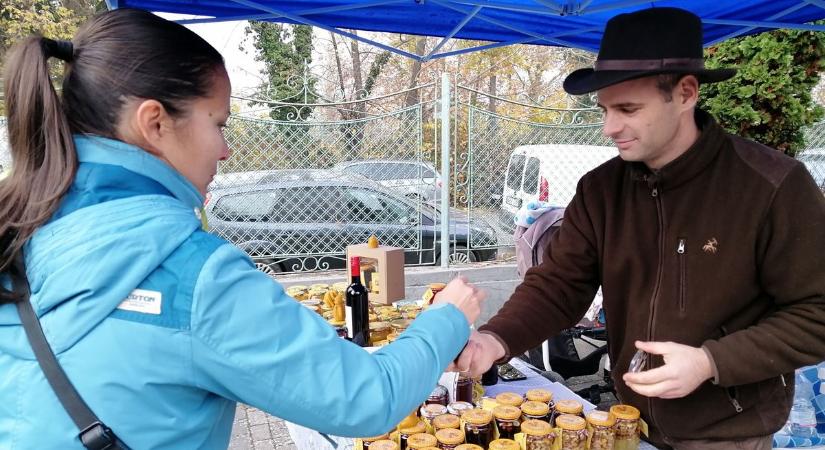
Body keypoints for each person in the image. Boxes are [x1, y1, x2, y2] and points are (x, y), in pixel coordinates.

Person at [0, 8, 485, 449]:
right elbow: (365, 398)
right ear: (155, 122)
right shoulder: (191, 274)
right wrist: (445, 318)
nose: (225, 150)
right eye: (219, 123)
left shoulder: (19, 230)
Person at [454, 7, 825, 450]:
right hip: (630, 421)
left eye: (628, 108)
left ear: (686, 92)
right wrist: (496, 339)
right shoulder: (601, 189)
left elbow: (817, 312)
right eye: (606, 109)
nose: (610, 127)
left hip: (728, 432)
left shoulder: (771, 185)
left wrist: (711, 361)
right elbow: (558, 285)